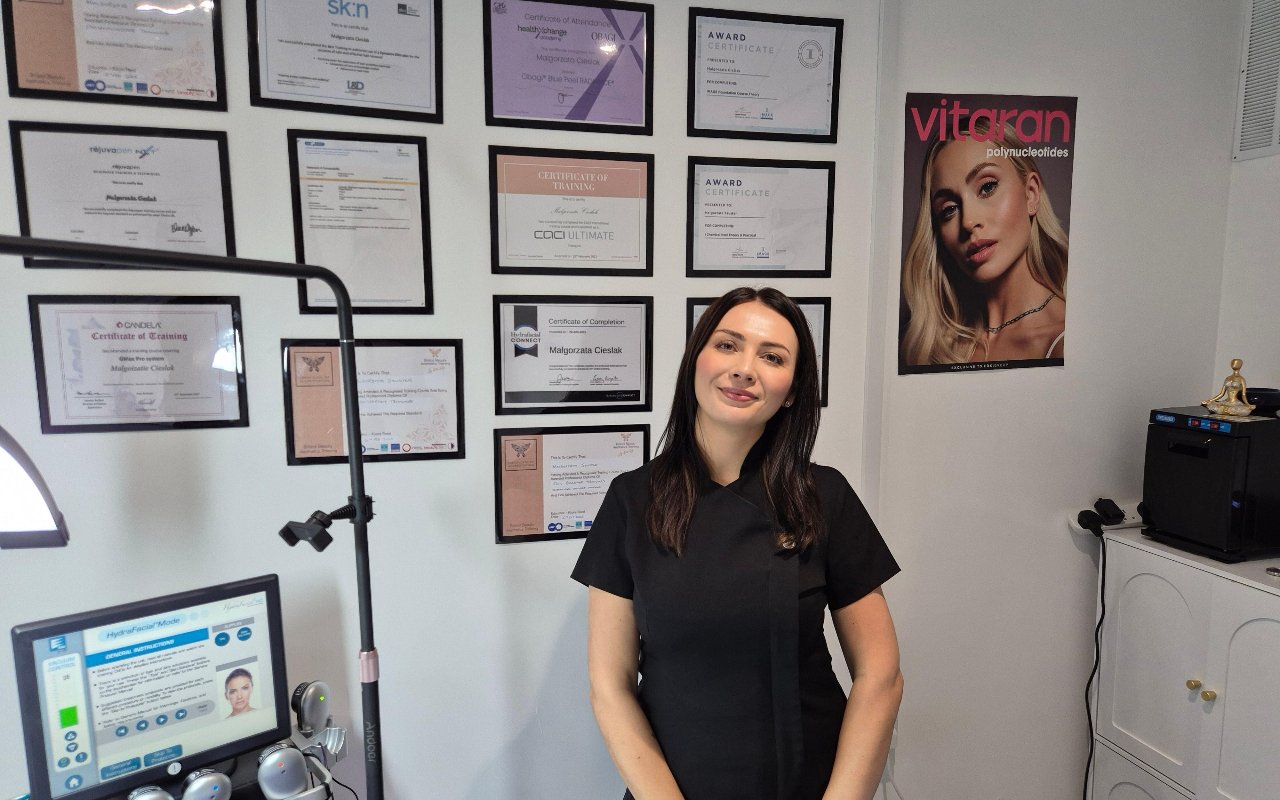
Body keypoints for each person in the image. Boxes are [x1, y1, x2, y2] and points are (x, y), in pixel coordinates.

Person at [573, 287, 902, 799]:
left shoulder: (824, 496)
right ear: (696, 360)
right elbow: (610, 687)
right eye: (728, 345)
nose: (745, 369)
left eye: (772, 357)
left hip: (810, 782)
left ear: (791, 390)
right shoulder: (631, 500)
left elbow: (881, 675)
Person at [901, 119, 1069, 366]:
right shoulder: (936, 348)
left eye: (987, 187)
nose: (968, 222)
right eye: (949, 209)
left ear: (1031, 194)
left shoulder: (1064, 343)